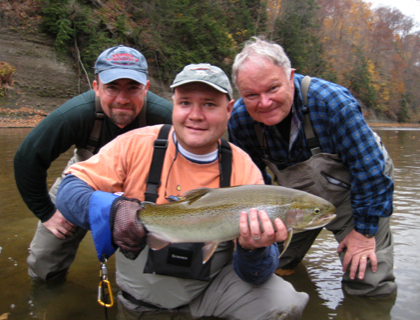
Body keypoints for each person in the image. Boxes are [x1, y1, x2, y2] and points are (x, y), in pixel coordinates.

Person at [54, 63, 309, 319]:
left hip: (211, 296)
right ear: (173, 105)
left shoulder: (244, 169)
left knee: (284, 302)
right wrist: (116, 212)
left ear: (229, 110)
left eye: (209, 104)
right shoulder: (134, 146)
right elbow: (69, 191)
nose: (195, 115)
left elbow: (257, 275)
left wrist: (253, 249)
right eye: (185, 103)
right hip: (142, 301)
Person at [228, 37, 396, 298]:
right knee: (270, 268)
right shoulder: (239, 120)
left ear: (290, 76)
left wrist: (364, 234)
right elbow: (254, 183)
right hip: (291, 200)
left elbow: (371, 172)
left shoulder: (332, 104)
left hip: (356, 189)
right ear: (240, 92)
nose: (263, 102)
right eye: (251, 95)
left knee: (367, 280)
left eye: (272, 88)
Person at [14, 45, 173, 282]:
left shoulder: (167, 117)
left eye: (132, 88)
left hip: (145, 183)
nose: (122, 99)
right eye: (112, 88)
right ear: (96, 87)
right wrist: (47, 213)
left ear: (146, 88)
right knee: (44, 259)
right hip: (84, 179)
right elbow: (27, 159)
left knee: (160, 267)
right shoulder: (76, 114)